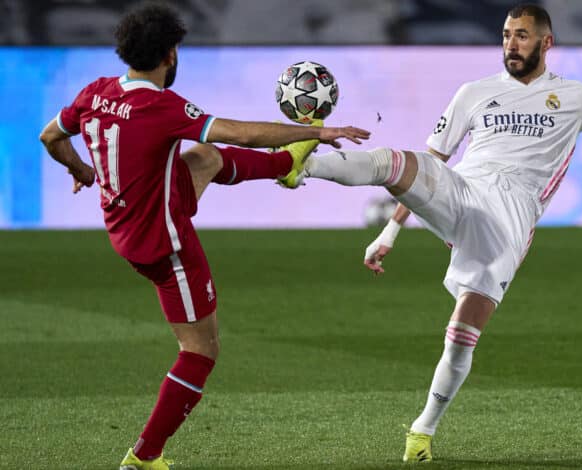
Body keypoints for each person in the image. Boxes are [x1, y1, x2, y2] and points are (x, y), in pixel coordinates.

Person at [280, 4, 582, 463]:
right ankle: (298, 165)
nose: (511, 44)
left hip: (508, 220)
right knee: (396, 161)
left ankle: (422, 431)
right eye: (505, 35)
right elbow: (432, 163)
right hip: (462, 190)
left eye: (521, 35)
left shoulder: (578, 98)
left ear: (546, 42)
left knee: (461, 335)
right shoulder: (473, 93)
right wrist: (390, 232)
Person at [38, 4, 369, 469]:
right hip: (163, 245)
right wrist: (316, 129)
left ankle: (285, 166)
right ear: (170, 54)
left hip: (124, 221)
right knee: (200, 350)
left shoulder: (95, 92)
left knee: (204, 158)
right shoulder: (162, 107)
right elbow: (241, 133)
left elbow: (49, 137)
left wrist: (81, 170)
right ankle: (144, 456)